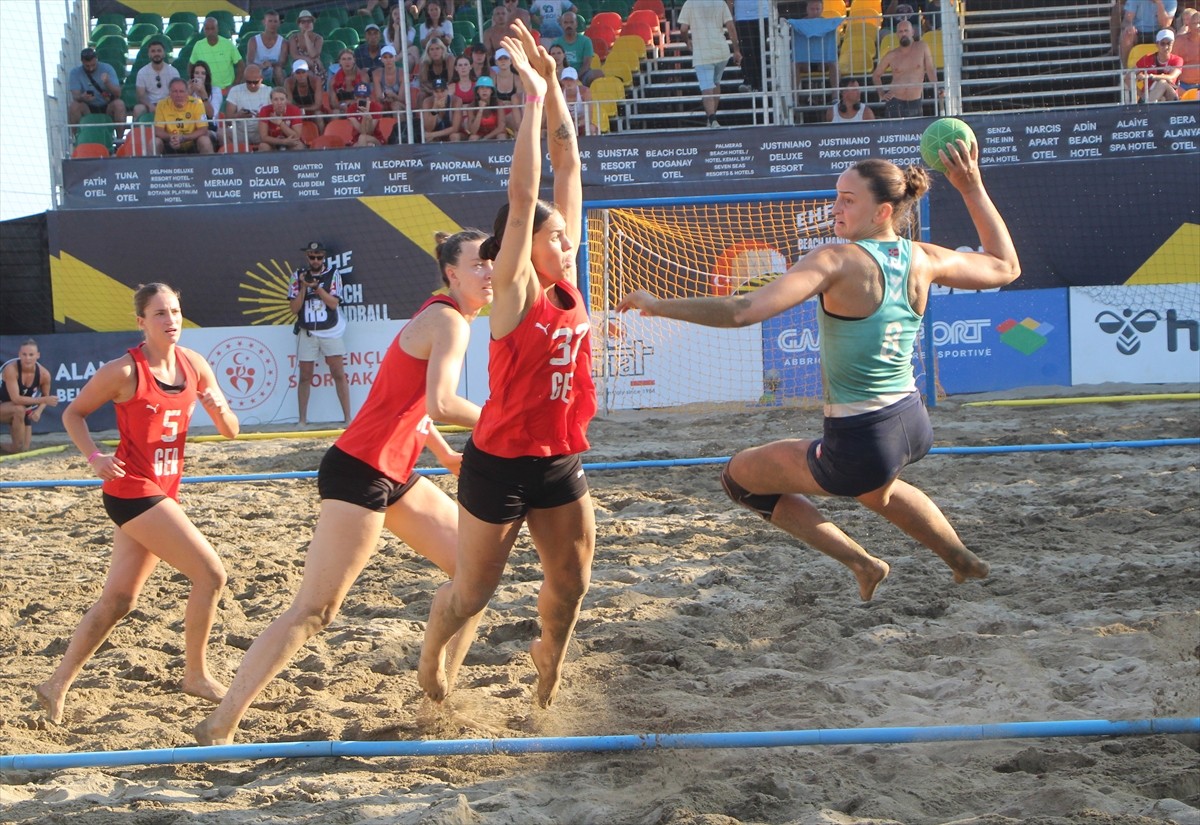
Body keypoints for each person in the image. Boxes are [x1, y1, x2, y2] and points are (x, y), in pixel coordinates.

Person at [616, 143, 1020, 602]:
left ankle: (862, 563)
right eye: (836, 196)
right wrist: (971, 187)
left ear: (883, 211)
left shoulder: (836, 259)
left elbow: (743, 310)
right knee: (877, 492)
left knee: (739, 479)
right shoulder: (922, 257)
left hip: (860, 438)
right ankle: (962, 560)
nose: (835, 208)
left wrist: (658, 305)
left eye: (849, 199)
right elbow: (1005, 266)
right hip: (910, 421)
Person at [194, 230, 494, 746]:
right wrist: (501, 419)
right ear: (452, 273)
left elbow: (411, 404)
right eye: (479, 263)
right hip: (358, 469)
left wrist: (443, 453)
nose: (490, 271)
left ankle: (434, 699)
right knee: (315, 610)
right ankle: (219, 724)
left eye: (493, 261)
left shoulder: (448, 316)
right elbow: (442, 401)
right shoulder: (447, 318)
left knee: (474, 581)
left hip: (393, 470)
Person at [418, 21, 597, 709]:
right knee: (470, 592)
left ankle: (547, 655)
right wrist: (526, 103)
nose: (566, 238)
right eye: (556, 235)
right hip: (498, 459)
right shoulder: (517, 288)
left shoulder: (565, 274)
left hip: (556, 455)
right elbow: (526, 199)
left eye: (563, 232)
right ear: (526, 248)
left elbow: (569, 168)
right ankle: (433, 649)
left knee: (573, 580)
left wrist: (555, 89)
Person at [35, 283, 239, 725]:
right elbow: (73, 414)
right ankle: (197, 675)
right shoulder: (125, 371)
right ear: (141, 322)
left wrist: (219, 408)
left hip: (162, 491)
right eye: (161, 313)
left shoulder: (195, 365)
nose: (171, 320)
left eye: (176, 311)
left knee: (119, 600)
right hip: (132, 490)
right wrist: (94, 457)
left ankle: (55, 686)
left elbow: (231, 432)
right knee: (211, 574)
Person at [290, 241, 351, 426]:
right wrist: (303, 286)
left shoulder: (333, 274)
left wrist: (316, 288)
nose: (315, 260)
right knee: (305, 376)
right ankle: (302, 420)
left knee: (338, 373)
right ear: (306, 257)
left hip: (330, 330)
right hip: (307, 331)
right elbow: (293, 309)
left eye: (319, 257)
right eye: (312, 256)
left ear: (324, 257)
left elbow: (333, 303)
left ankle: (348, 418)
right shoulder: (297, 275)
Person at [678, 0, 742, 127]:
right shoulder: (720, 3)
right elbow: (731, 27)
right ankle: (712, 118)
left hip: (702, 52)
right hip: (721, 50)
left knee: (707, 88)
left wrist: (687, 42)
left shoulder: (690, 3)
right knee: (715, 83)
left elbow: (683, 29)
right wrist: (736, 50)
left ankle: (712, 119)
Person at [0, 338, 57, 455]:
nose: (27, 358)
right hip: (7, 407)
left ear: (38, 355)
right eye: (24, 354)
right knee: (19, 408)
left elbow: (46, 397)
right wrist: (43, 400)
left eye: (31, 355)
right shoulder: (11, 369)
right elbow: (16, 399)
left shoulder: (44, 374)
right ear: (19, 355)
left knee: (22, 449)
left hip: (22, 412)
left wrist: (39, 411)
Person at [871, 19, 937, 118]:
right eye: (901, 31)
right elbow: (876, 75)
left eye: (906, 31)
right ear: (897, 34)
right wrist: (882, 94)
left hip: (914, 101)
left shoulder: (922, 47)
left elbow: (930, 69)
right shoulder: (892, 55)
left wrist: (937, 88)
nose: (903, 34)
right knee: (892, 132)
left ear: (912, 32)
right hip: (895, 101)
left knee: (915, 132)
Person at [67, 47, 127, 131]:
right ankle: (77, 139)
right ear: (82, 62)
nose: (90, 68)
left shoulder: (107, 68)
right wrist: (82, 97)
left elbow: (118, 94)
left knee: (119, 104)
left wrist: (107, 83)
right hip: (87, 107)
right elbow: (75, 95)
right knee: (74, 106)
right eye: (87, 66)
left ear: (96, 59)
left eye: (93, 65)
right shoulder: (75, 73)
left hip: (106, 106)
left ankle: (119, 141)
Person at [154, 78, 215, 154]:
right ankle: (151, 166)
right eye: (175, 91)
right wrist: (171, 138)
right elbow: (158, 131)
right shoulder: (162, 104)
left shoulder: (197, 103)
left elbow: (203, 129)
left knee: (205, 140)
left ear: (187, 92)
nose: (178, 95)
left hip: (192, 142)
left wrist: (183, 138)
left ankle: (210, 165)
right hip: (170, 143)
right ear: (169, 93)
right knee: (155, 142)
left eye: (181, 91)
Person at [188, 16, 243, 92]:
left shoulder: (228, 44)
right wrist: (196, 83)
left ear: (217, 29)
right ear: (204, 30)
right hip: (206, 90)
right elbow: (191, 66)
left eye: (213, 28)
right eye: (207, 29)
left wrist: (234, 85)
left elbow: (241, 65)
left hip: (225, 90)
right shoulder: (198, 45)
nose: (210, 31)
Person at [224, 64, 273, 148]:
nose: (252, 85)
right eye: (249, 82)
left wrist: (262, 116)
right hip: (240, 131)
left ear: (261, 79)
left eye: (255, 82)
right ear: (244, 79)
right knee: (222, 133)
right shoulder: (235, 91)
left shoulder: (268, 91)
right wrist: (238, 115)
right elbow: (227, 120)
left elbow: (275, 116)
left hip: (261, 132)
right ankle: (233, 158)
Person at [551, 12, 602, 86]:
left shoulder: (586, 41)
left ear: (576, 24)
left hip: (582, 75)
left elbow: (587, 63)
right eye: (566, 22)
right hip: (562, 76)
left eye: (571, 22)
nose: (569, 25)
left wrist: (575, 77)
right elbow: (555, 64)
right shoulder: (556, 42)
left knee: (598, 73)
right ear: (561, 25)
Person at [1121, 0, 1179, 65]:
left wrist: (1159, 3)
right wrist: (1129, 26)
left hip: (1159, 31)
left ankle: (1170, 64)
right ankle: (1126, 68)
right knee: (1127, 33)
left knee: (1171, 33)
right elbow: (1126, 20)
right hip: (1137, 32)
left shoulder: (1171, 1)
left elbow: (1165, 24)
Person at [133, 40, 180, 119]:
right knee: (138, 109)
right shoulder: (142, 72)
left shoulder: (173, 71)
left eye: (159, 51)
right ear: (149, 54)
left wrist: (164, 105)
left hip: (169, 103)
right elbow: (140, 95)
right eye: (153, 51)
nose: (156, 54)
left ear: (164, 53)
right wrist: (150, 106)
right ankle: (137, 131)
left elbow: (176, 92)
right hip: (149, 105)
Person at [1134, 28, 1184, 99]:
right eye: (1162, 44)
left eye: (1169, 43)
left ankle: (1147, 107)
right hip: (1150, 94)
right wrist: (1141, 94)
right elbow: (1128, 78)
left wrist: (1149, 76)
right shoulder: (1147, 58)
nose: (1166, 47)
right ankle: (1148, 104)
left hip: (1169, 95)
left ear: (1173, 44)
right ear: (1157, 44)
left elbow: (1172, 76)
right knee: (1162, 86)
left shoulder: (1177, 60)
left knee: (1162, 83)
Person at [733, 0, 769, 93]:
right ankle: (748, 81)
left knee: (760, 50)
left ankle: (761, 83)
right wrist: (731, 14)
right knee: (746, 50)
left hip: (763, 13)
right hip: (742, 16)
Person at [246, 9, 288, 85]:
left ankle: (282, 94)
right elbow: (249, 62)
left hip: (275, 71)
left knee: (278, 70)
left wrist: (271, 64)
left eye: (275, 21)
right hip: (258, 69)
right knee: (250, 70)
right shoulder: (253, 40)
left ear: (279, 23)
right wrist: (261, 66)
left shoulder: (283, 42)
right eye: (270, 21)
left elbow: (282, 63)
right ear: (264, 22)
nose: (273, 24)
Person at [288, 9, 326, 83]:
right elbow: (294, 55)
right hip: (299, 64)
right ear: (299, 25)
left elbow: (313, 54)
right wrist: (307, 60)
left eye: (309, 21)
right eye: (303, 22)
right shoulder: (293, 38)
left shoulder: (318, 38)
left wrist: (306, 36)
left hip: (315, 66)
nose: (306, 24)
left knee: (315, 68)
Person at [465, 75, 506, 139]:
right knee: (473, 137)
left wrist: (486, 138)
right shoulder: (471, 106)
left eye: (487, 88)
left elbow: (501, 127)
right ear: (477, 91)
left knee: (501, 136)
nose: (485, 90)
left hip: (494, 133)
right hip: (479, 134)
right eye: (482, 88)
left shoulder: (499, 104)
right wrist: (480, 110)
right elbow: (473, 131)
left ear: (492, 91)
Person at [285, 59, 324, 126]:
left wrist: (302, 110)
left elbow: (318, 105)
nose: (301, 75)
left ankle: (322, 135)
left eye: (303, 72)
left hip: (313, 110)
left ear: (308, 72)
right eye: (298, 73)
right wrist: (298, 111)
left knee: (318, 115)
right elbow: (289, 104)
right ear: (293, 74)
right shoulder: (289, 82)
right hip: (297, 110)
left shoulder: (315, 80)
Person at [561, 66, 598, 135]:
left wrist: (577, 124)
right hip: (565, 125)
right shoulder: (559, 93)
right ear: (562, 81)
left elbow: (589, 116)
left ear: (576, 80)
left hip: (582, 124)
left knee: (591, 129)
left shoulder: (585, 92)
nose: (569, 82)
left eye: (571, 79)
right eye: (566, 79)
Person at [1176, 9, 1200, 92]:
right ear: (1189, 25)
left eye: (1199, 23)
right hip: (1183, 85)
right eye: (1195, 23)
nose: (1198, 26)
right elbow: (1172, 63)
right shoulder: (1180, 41)